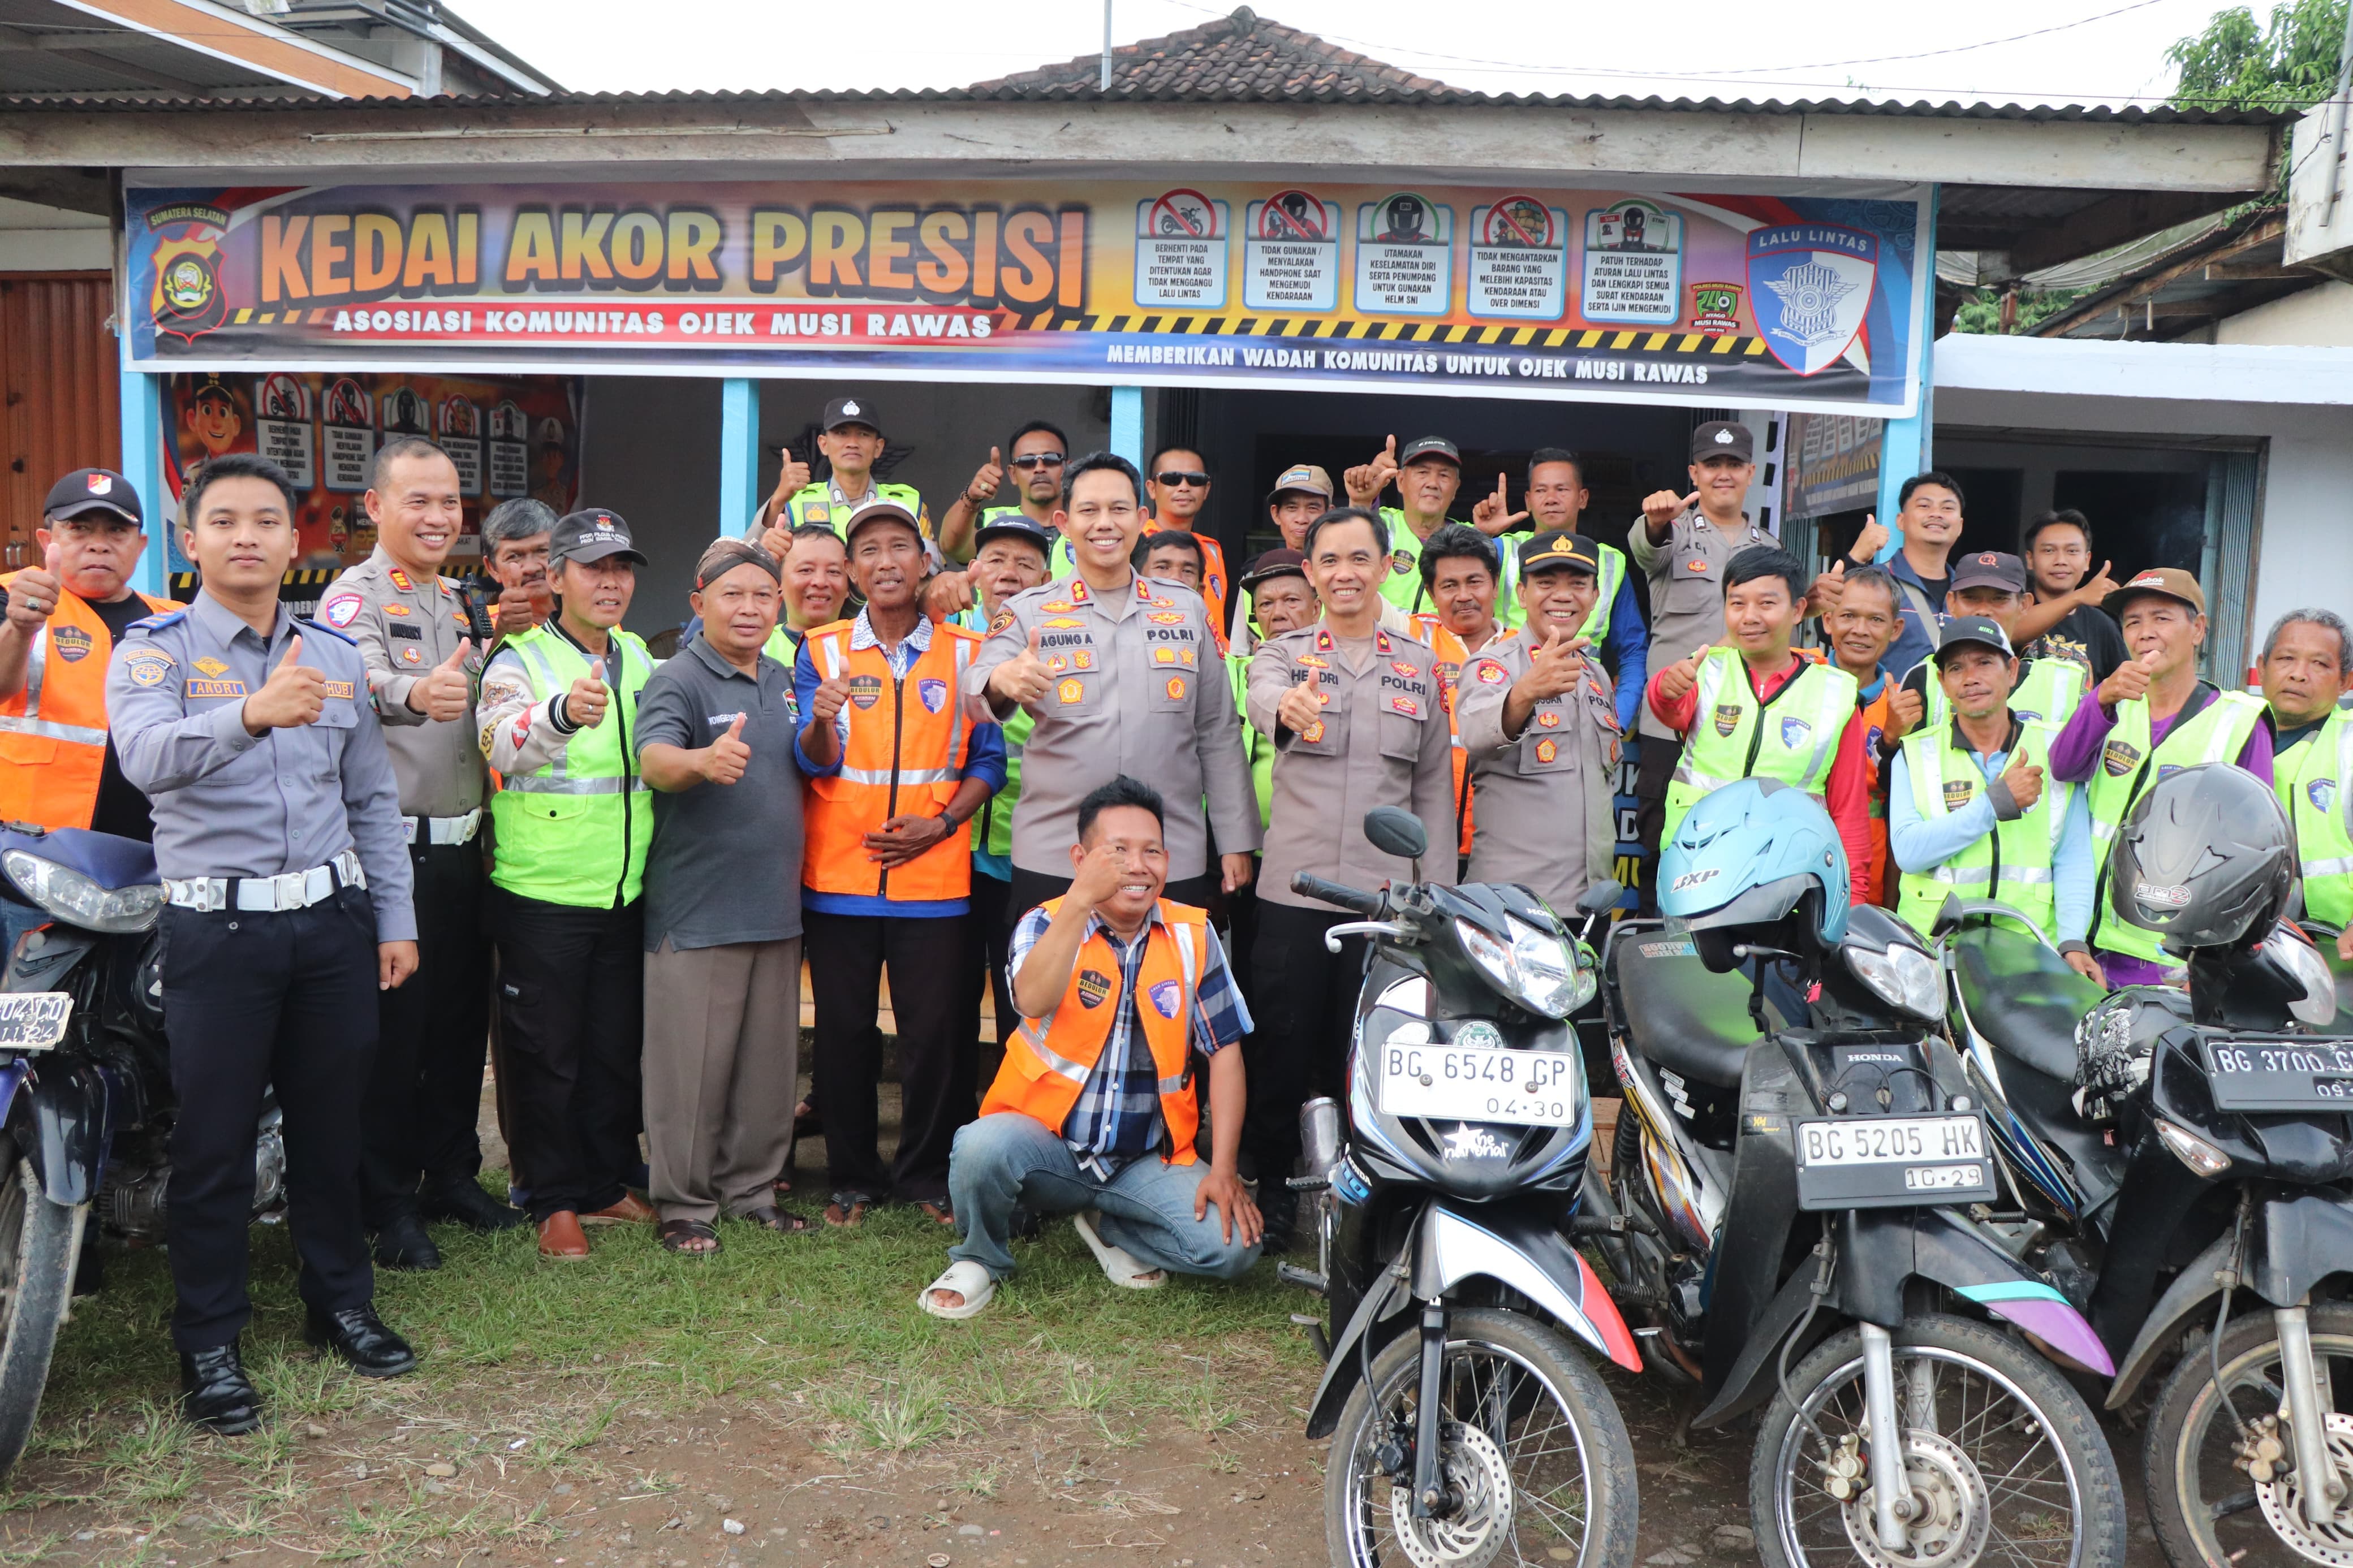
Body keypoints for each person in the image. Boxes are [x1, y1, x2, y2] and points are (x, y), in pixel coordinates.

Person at [108, 452, 420, 1434]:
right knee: (215, 1144)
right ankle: (209, 1340)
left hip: (330, 925)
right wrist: (248, 713)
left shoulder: (330, 658)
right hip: (219, 930)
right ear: (191, 540)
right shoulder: (153, 652)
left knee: (334, 1129)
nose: (248, 537)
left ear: (297, 541)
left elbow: (371, 798)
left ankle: (341, 1304)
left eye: (268, 521)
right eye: (226, 521)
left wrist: (394, 917)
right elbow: (148, 757)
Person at [918, 777, 1260, 1319]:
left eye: (1152, 851)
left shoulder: (1195, 935)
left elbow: (1226, 1053)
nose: (1137, 865)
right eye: (1116, 851)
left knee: (1235, 1249)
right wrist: (1081, 898)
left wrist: (1223, 1168)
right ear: (1081, 857)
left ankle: (1113, 1225)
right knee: (978, 1149)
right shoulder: (1045, 922)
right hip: (1047, 1146)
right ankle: (981, 1257)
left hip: (1145, 1158)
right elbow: (1030, 997)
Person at [321, 438, 522, 1275]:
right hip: (388, 858)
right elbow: (354, 680)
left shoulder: (465, 600)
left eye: (450, 503)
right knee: (392, 1039)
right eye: (419, 501)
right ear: (376, 507)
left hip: (463, 853)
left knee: (453, 1029)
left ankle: (451, 1174)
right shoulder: (351, 598)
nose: (439, 518)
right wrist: (411, 692)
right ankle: (386, 1199)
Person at [1245, 506, 1454, 1236]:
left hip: (1384, 901)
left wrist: (1436, 896)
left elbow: (1432, 789)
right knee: (1280, 1046)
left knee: (1369, 1055)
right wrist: (1287, 704)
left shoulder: (1420, 665)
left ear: (1386, 566)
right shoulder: (1284, 654)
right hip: (1293, 893)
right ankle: (1272, 1192)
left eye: (1359, 558)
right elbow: (1261, 696)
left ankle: (1370, 1205)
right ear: (1310, 573)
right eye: (1329, 560)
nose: (1344, 574)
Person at [795, 503, 1005, 1228]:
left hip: (936, 881)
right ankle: (851, 1177)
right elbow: (810, 757)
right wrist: (820, 719)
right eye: (869, 552)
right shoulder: (820, 650)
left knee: (935, 1034)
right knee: (843, 1032)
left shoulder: (968, 650)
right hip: (840, 880)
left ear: (925, 565)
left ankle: (924, 1175)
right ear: (851, 573)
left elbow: (989, 762)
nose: (885, 562)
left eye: (899, 548)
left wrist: (940, 823)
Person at [477, 509, 661, 1260]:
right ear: (555, 578)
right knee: (546, 1053)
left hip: (624, 891)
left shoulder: (641, 657)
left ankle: (603, 1181)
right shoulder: (519, 659)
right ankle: (550, 1198)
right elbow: (498, 741)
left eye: (621, 568)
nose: (611, 582)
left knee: (613, 1048)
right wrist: (558, 715)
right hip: (542, 891)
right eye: (594, 568)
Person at [967, 452, 1259, 925]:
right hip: (1056, 852)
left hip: (1170, 853)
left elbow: (1218, 731)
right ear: (1064, 522)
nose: (1105, 523)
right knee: (1050, 993)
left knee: (1164, 993)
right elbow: (977, 691)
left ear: (1142, 519)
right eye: (1089, 510)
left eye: (1119, 509)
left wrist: (1234, 841)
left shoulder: (1185, 610)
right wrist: (1001, 681)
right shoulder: (1028, 610)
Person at [636, 538, 812, 1254]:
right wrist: (700, 762)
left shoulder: (784, 675)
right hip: (698, 911)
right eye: (731, 594)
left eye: (761, 596)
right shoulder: (678, 679)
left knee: (767, 1070)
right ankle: (683, 1203)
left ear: (779, 604)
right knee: (691, 1070)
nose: (748, 608)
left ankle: (751, 1191)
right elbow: (653, 760)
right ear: (697, 602)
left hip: (775, 907)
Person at [2046, 567, 2270, 986]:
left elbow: (2260, 854)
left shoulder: (2238, 720)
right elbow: (2063, 766)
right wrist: (2102, 698)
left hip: (2170, 962)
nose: (2145, 632)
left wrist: (2217, 958)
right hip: (2085, 946)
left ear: (2198, 629)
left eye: (2161, 618)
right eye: (2133, 622)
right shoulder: (2113, 704)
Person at [0, 468, 180, 948]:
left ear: (140, 545)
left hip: (150, 869)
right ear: (46, 539)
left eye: (116, 531)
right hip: (28, 867)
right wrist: (19, 628)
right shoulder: (11, 597)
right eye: (79, 529)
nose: (98, 544)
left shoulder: (174, 620)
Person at [1647, 545, 1871, 900]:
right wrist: (1665, 687)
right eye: (1737, 604)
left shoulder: (1836, 694)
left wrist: (1852, 899)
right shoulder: (1707, 670)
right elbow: (1667, 707)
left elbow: (1849, 812)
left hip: (1788, 885)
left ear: (1799, 610)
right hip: (1695, 875)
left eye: (1767, 604)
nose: (1749, 617)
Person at [1889, 617, 2098, 972]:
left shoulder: (2053, 748)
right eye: (1956, 668)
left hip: (2030, 951)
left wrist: (2073, 941)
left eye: (1985, 663)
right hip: (1933, 953)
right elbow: (1909, 853)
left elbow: (2073, 857)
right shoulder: (1915, 752)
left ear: (2012, 671)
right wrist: (1993, 804)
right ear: (1942, 682)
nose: (1970, 678)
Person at [1627, 421, 1775, 911]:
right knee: (1662, 845)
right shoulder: (1670, 529)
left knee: (1734, 848)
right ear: (1694, 472)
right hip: (1670, 719)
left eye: (1734, 464)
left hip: (1740, 724)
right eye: (1713, 464)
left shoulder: (1770, 548)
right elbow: (1646, 545)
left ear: (1751, 472)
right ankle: (1652, 950)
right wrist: (1655, 517)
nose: (1724, 473)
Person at [1456, 533, 1621, 909]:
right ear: (1521, 593)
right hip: (1512, 903)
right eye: (1546, 583)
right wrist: (1523, 692)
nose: (1563, 595)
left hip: (1591, 902)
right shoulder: (1493, 664)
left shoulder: (1596, 675)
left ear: (1595, 597)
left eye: (1578, 584)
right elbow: (1476, 734)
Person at [953, 513, 1054, 1065]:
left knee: (1027, 1000)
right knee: (949, 999)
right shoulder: (947, 635)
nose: (1008, 573)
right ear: (974, 571)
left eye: (1024, 563)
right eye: (995, 560)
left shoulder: (1061, 636)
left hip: (1029, 854)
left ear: (1044, 577)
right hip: (951, 854)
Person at [1893, 552, 2086, 734]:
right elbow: (1903, 761)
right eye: (1972, 598)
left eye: (1999, 599)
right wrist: (1890, 738)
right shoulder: (1924, 676)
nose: (1984, 610)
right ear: (1951, 603)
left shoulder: (2064, 681)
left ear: (2025, 604)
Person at [1525, 448, 1647, 729]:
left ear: (1583, 498)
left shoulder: (1611, 563)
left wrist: (1618, 720)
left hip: (1585, 715)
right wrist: (1482, 535)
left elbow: (1633, 652)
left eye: (1562, 489)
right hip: (1515, 709)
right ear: (1528, 501)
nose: (1552, 499)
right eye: (1541, 490)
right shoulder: (1501, 550)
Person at [2256, 608, 2353, 950]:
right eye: (2286, 658)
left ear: (2346, 682)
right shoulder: (2224, 729)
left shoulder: (2349, 744)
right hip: (2235, 944)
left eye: (2320, 664)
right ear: (2262, 666)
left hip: (2337, 952)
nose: (2299, 675)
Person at [1406, 524, 1501, 871]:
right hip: (1421, 842)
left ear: (1494, 584)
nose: (1464, 595)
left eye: (1474, 581)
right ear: (1431, 593)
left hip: (1498, 842)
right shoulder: (1408, 635)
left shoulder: (1525, 650)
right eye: (1449, 585)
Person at [1822, 564, 1919, 905]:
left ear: (1896, 629)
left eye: (1876, 620)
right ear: (1827, 620)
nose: (1860, 630)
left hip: (1870, 870)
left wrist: (1893, 739)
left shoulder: (1905, 706)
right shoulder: (1799, 681)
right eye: (1848, 615)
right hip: (1797, 857)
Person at [759, 398, 928, 542]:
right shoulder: (795, 501)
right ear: (823, 445)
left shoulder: (908, 502)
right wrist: (778, 499)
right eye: (842, 433)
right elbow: (756, 560)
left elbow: (930, 568)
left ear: (878, 447)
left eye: (863, 434)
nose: (852, 443)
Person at [2012, 509, 2127, 687]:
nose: (2061, 560)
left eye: (2072, 551)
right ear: (2030, 559)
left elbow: (2124, 690)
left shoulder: (2103, 626)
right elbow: (2009, 629)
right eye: (2049, 551)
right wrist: (2080, 596)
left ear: (2087, 560)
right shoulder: (2012, 607)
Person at [1871, 472, 1970, 679]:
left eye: (1948, 508)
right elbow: (1827, 631)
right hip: (1888, 709)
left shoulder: (1969, 592)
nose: (1937, 514)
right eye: (1925, 506)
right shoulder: (1874, 581)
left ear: (1960, 526)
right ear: (1901, 521)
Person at [936, 420, 1067, 564]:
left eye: (1051, 459)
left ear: (1069, 469)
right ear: (1013, 474)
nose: (1039, 468)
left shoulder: (1087, 522)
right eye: (1027, 462)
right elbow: (951, 547)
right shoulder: (991, 521)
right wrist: (971, 498)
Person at [1144, 446, 1230, 637]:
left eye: (1195, 480)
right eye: (1172, 479)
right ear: (1152, 488)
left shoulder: (1211, 550)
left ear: (1207, 490)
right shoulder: (1134, 542)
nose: (1184, 487)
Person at [480, 497, 556, 642]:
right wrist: (502, 630)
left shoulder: (598, 616)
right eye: (514, 556)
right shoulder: (480, 626)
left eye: (542, 551)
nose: (531, 568)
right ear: (492, 568)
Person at [1264, 464, 1335, 554]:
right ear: (1276, 514)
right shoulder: (1261, 566)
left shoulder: (1342, 566)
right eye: (1292, 508)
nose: (1301, 519)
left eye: (1312, 508)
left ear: (1329, 515)